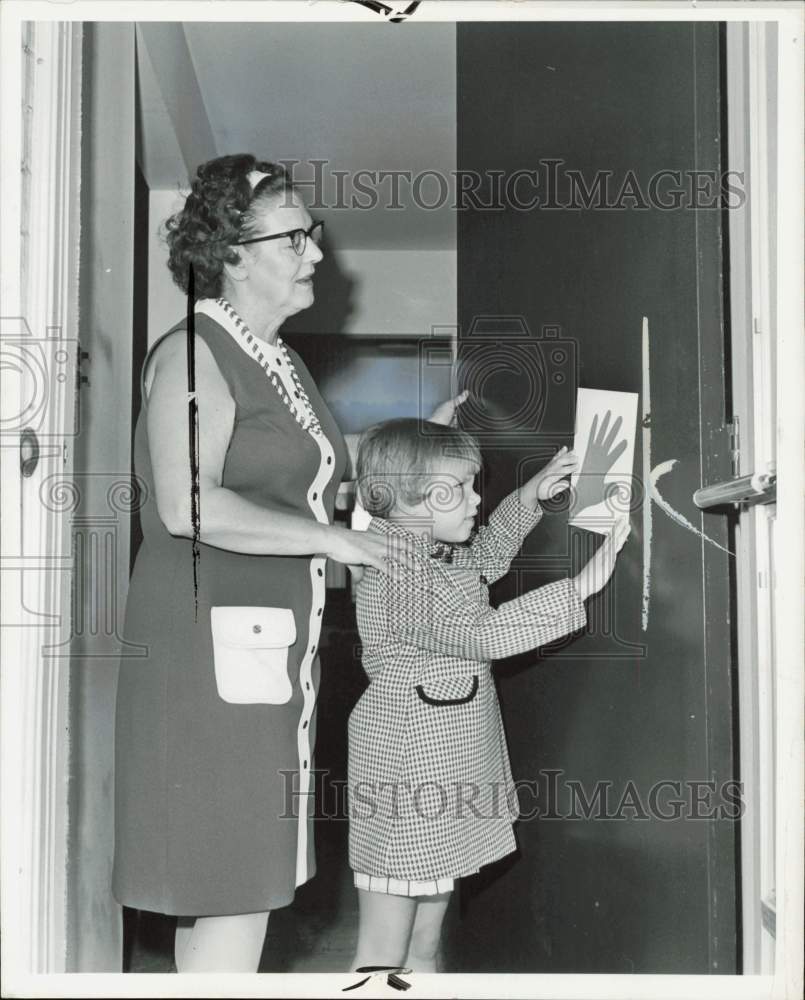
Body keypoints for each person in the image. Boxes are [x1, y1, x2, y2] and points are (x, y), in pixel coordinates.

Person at [112, 154, 465, 972]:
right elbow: (186, 505)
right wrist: (336, 541)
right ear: (231, 253)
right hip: (204, 652)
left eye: (314, 234)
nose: (316, 252)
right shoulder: (198, 354)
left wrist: (418, 455)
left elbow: (310, 493)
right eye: (295, 237)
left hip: (263, 652)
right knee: (235, 877)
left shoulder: (282, 362)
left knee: (240, 880)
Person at [348, 418, 630, 971]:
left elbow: (480, 560)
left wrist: (528, 498)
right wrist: (581, 586)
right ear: (403, 499)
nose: (477, 499)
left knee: (426, 941)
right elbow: (488, 633)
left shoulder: (424, 546)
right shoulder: (393, 572)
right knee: (383, 953)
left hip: (442, 773)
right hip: (406, 780)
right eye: (460, 489)